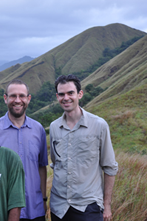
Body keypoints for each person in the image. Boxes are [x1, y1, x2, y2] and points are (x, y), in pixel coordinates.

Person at [49, 74, 118, 221]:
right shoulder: (54, 127)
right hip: (59, 207)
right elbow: (56, 163)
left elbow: (110, 167)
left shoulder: (99, 125)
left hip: (88, 207)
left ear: (80, 94)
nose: (65, 98)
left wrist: (107, 205)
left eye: (70, 93)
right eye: (61, 94)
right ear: (57, 96)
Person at [0, 79, 48, 221]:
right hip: (4, 210)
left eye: (22, 96)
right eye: (13, 96)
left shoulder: (38, 130)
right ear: (5, 98)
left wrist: (43, 199)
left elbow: (41, 167)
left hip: (35, 210)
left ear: (28, 99)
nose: (17, 100)